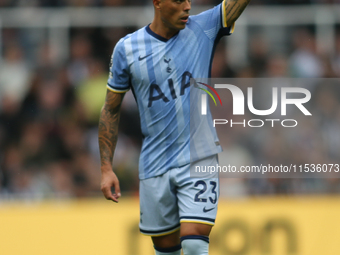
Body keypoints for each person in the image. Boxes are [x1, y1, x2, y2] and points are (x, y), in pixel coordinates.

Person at [98, 0, 251, 254]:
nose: (188, 6)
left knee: (193, 243)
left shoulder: (203, 28)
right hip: (155, 164)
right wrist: (105, 168)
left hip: (198, 156)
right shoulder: (127, 48)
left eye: (189, 0)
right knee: (165, 249)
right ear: (157, 3)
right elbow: (110, 108)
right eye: (179, 0)